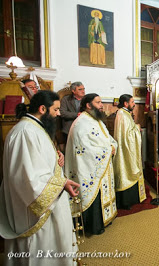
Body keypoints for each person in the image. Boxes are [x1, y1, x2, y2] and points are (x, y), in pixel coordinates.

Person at [0, 91, 80, 265]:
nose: (59, 113)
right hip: (35, 210)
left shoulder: (34, 128)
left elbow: (38, 160)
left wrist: (56, 155)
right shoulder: (26, 132)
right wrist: (62, 183)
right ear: (43, 108)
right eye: (56, 109)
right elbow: (28, 178)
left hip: (52, 197)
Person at [65, 93, 118, 235]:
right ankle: (94, 225)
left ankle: (105, 218)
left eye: (101, 102)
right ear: (88, 105)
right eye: (98, 102)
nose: (102, 105)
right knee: (93, 193)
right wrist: (108, 150)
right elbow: (84, 149)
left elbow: (107, 137)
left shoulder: (96, 120)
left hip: (102, 164)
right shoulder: (81, 123)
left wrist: (113, 145)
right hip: (89, 167)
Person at [113, 94, 146, 209]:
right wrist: (137, 127)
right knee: (127, 170)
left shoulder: (125, 113)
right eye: (132, 102)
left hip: (127, 149)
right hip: (125, 150)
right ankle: (126, 202)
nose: (134, 104)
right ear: (126, 103)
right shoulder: (122, 114)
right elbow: (127, 137)